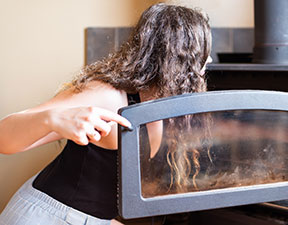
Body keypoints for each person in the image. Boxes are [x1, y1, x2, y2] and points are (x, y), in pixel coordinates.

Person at [0, 3, 212, 225]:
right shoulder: (108, 96)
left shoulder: (166, 110)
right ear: (182, 56)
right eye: (203, 53)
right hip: (44, 216)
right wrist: (53, 119)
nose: (208, 61)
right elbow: (3, 137)